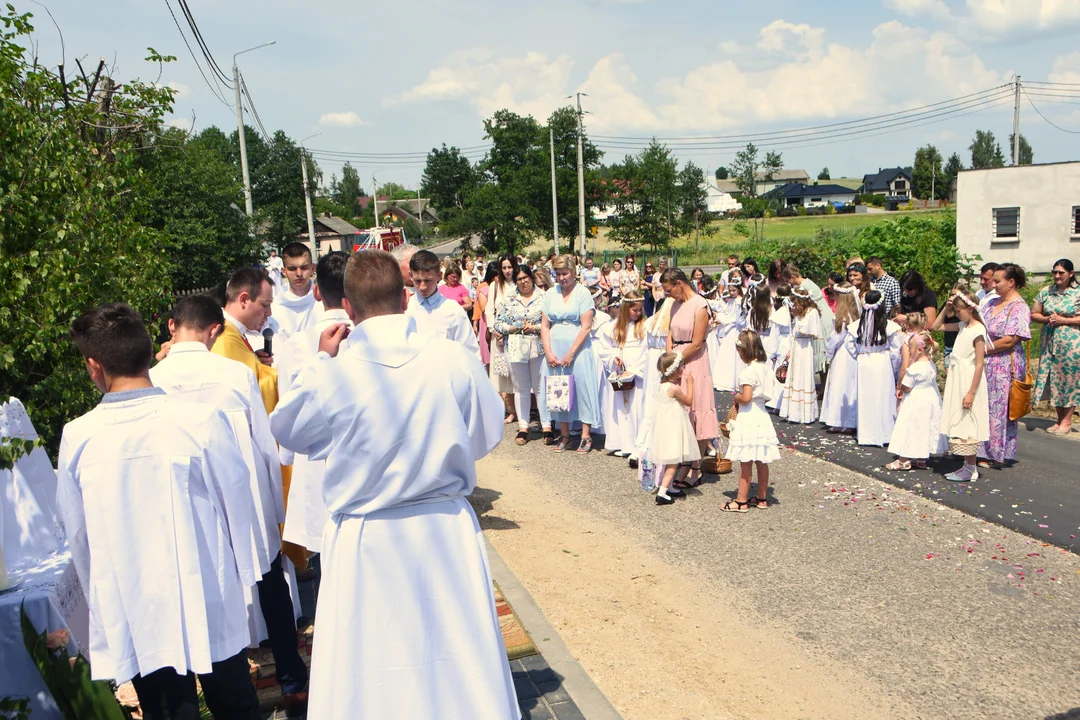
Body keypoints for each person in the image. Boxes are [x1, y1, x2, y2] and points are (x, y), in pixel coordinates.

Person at [270, 250, 517, 719]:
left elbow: (289, 430)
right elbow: (486, 431)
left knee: (373, 663)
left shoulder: (335, 372)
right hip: (443, 525)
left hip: (368, 536)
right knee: (457, 653)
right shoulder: (449, 357)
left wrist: (320, 361)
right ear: (405, 299)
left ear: (347, 305)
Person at [58, 303, 263, 719]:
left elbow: (78, 535)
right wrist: (248, 576)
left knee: (167, 710)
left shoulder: (79, 438)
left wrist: (101, 602)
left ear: (93, 366)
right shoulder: (199, 420)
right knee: (235, 704)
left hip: (136, 601)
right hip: (209, 587)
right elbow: (238, 503)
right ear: (151, 350)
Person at [150, 295, 308, 709]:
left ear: (171, 327)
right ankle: (292, 678)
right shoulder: (234, 374)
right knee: (269, 587)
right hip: (245, 499)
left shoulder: (153, 378)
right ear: (214, 329)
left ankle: (200, 689)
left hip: (185, 506)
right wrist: (275, 512)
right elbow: (262, 441)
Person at [211, 268, 307, 574]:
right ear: (243, 299)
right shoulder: (225, 339)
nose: (268, 314)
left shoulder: (235, 336)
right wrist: (281, 374)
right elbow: (251, 387)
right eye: (264, 306)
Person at [275, 252, 352, 557]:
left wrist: (290, 456)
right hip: (365, 456)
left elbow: (288, 410)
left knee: (326, 556)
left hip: (316, 460)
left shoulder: (298, 343)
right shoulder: (366, 334)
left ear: (317, 290)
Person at [661, 268, 717, 479]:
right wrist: (669, 358)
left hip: (693, 361)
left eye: (669, 290)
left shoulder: (700, 305)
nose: (667, 295)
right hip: (676, 360)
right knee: (679, 413)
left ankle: (695, 467)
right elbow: (670, 332)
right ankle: (682, 462)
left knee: (697, 410)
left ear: (679, 284)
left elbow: (696, 343)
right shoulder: (675, 304)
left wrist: (677, 360)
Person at [541, 255, 600, 453]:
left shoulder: (583, 293)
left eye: (565, 273)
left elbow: (586, 326)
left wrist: (571, 353)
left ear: (574, 273)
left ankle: (585, 435)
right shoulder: (550, 294)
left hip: (578, 348)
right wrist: (548, 352)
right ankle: (564, 435)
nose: (562, 277)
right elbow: (544, 325)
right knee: (559, 390)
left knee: (582, 388)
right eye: (558, 274)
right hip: (555, 348)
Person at [935, 289, 990, 482]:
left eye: (959, 310)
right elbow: (936, 326)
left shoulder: (977, 330)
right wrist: (947, 306)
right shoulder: (962, 326)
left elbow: (980, 363)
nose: (957, 314)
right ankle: (967, 465)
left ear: (970, 309)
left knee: (968, 419)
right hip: (958, 375)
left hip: (968, 377)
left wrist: (971, 392)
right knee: (961, 419)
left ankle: (971, 466)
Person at [979, 263, 1032, 468]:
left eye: (998, 281)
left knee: (999, 409)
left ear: (1011, 283)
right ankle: (978, 448)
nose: (993, 285)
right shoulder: (991, 302)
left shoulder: (1019, 308)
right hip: (986, 361)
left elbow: (1010, 340)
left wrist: (983, 349)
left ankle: (994, 452)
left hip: (1003, 363)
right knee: (984, 404)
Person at [722, 329, 781, 513]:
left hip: (749, 416)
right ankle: (762, 497)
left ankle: (741, 500)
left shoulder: (748, 372)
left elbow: (746, 397)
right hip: (762, 414)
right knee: (762, 461)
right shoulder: (766, 368)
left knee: (746, 461)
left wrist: (737, 398)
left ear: (745, 350)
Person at [495, 265, 551, 446]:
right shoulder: (509, 299)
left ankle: (547, 425)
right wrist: (511, 328)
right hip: (516, 347)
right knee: (521, 387)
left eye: (526, 278)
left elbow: (551, 321)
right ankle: (523, 426)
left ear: (531, 278)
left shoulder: (543, 297)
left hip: (538, 346)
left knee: (540, 385)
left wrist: (534, 327)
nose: (523, 282)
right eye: (519, 279)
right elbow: (497, 323)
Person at [886, 328, 946, 470]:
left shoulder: (915, 368)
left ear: (919, 349)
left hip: (916, 401)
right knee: (923, 427)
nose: (909, 351)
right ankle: (921, 459)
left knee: (910, 427)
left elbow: (907, 386)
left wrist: (900, 388)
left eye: (911, 348)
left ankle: (903, 460)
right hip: (929, 399)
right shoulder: (930, 365)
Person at [1032, 259, 1080, 435]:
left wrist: (1064, 320)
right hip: (1050, 343)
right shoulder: (1046, 291)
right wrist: (1045, 319)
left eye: (1061, 272)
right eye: (1055, 272)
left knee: (1069, 380)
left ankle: (1067, 420)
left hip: (1072, 345)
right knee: (1054, 379)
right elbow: (1034, 313)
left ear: (1071, 273)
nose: (1057, 276)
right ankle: (1059, 419)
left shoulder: (1078, 293)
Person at [597, 292, 648, 457]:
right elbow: (604, 347)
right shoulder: (613, 327)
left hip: (636, 372)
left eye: (640, 309)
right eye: (634, 310)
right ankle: (623, 443)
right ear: (626, 309)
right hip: (619, 369)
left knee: (636, 406)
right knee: (621, 407)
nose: (638, 313)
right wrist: (614, 358)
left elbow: (646, 351)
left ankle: (637, 444)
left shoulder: (645, 326)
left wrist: (633, 370)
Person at [406, 250, 481, 358]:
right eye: (417, 281)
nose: (422, 287)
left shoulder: (453, 310)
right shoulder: (405, 309)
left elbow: (471, 353)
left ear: (439, 276)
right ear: (410, 276)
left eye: (428, 280)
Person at [853, 290, 904, 447]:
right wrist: (895, 369)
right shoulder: (890, 326)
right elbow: (896, 350)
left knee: (866, 398)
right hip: (882, 361)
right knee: (883, 397)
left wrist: (859, 355)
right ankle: (884, 433)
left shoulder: (857, 325)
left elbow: (850, 345)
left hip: (864, 362)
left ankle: (866, 434)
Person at [651, 352, 700, 506]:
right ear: (673, 370)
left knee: (670, 457)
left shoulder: (661, 386)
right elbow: (688, 401)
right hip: (673, 427)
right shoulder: (674, 388)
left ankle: (669, 486)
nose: (683, 369)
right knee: (673, 461)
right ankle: (662, 492)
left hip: (664, 427)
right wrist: (690, 384)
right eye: (680, 366)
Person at [820, 283, 860, 433]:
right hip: (851, 354)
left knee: (839, 384)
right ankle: (848, 421)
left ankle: (838, 420)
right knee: (849, 387)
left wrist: (828, 351)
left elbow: (837, 337)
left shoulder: (843, 316)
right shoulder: (854, 313)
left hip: (843, 353)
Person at [779, 287, 821, 424]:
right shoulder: (798, 314)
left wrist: (797, 319)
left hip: (805, 347)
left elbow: (810, 330)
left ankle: (805, 413)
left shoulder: (812, 312)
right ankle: (794, 412)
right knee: (794, 376)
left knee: (803, 376)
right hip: (797, 346)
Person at [271, 242, 319, 340]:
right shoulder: (274, 307)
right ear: (284, 271)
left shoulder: (324, 302)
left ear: (312, 268)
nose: (299, 273)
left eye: (304, 267)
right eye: (292, 269)